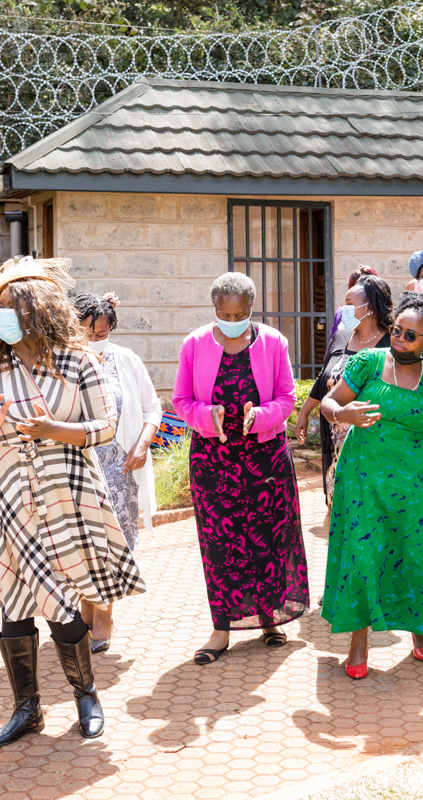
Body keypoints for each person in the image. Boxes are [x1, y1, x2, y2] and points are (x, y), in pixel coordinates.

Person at [0, 257, 142, 745]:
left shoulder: (79, 362)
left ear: (40, 312)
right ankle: (26, 709)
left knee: (60, 602)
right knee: (13, 606)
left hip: (65, 493)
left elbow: (105, 427)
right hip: (5, 494)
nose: (2, 318)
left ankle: (86, 696)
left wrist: (55, 429)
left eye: (12, 308)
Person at [319, 293, 423, 679]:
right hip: (364, 479)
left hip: (415, 482)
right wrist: (343, 413)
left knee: (415, 551)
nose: (400, 338)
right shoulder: (368, 362)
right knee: (364, 552)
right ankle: (359, 640)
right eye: (397, 330)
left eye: (411, 335)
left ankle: (419, 626)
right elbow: (328, 404)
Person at [173, 272, 309, 664]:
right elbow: (181, 399)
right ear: (214, 309)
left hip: (265, 460)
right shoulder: (195, 344)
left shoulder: (273, 342)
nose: (231, 318)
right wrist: (207, 414)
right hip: (213, 461)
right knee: (221, 545)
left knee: (269, 538)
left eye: (240, 312)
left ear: (252, 309)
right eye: (223, 312)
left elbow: (286, 397)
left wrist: (261, 416)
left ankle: (270, 618)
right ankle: (222, 629)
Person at [73, 293, 162, 653]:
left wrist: (142, 444)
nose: (97, 340)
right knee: (81, 544)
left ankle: (104, 616)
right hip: (78, 466)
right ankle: (84, 609)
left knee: (111, 544)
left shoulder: (126, 359)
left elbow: (152, 408)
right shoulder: (63, 361)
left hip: (120, 469)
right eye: (90, 333)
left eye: (103, 333)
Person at [295, 274, 393, 506]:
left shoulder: (391, 342)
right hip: (336, 437)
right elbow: (324, 377)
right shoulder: (341, 337)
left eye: (350, 304)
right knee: (340, 504)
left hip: (375, 440)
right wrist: (304, 412)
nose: (344, 310)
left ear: (370, 308)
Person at [326, 265, 380, 346]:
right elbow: (332, 348)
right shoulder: (341, 313)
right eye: (355, 287)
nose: (358, 292)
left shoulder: (381, 316)